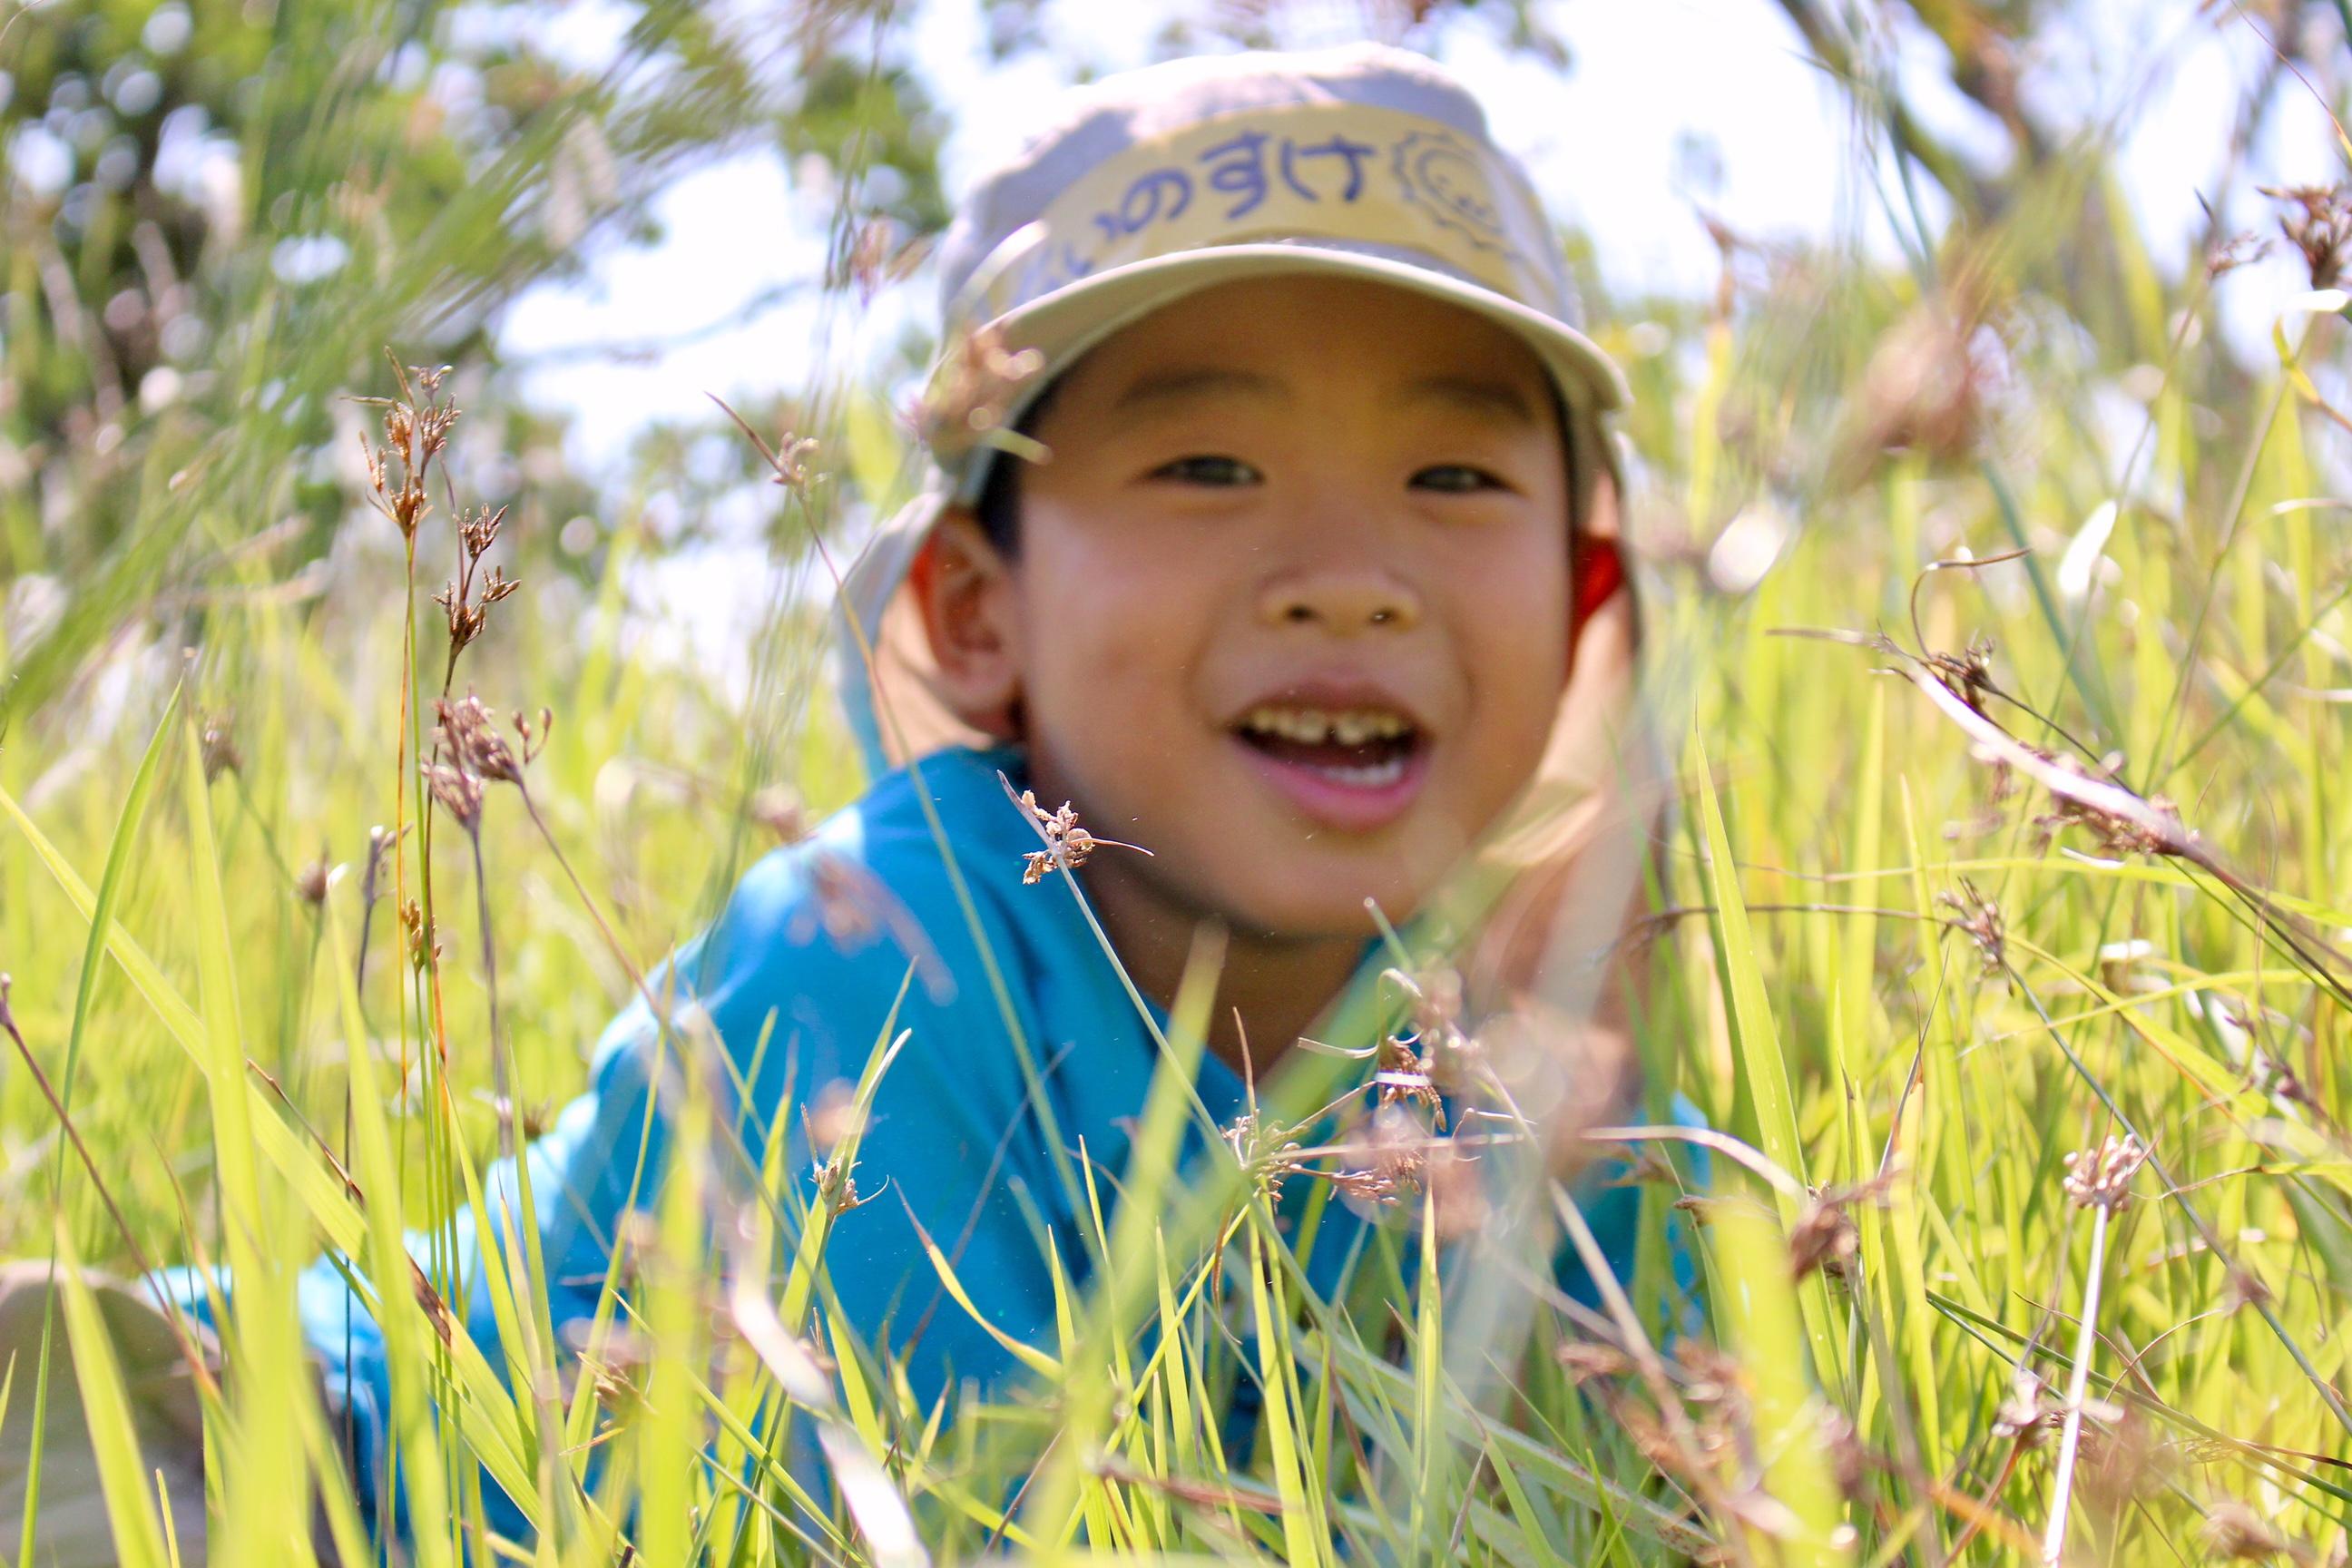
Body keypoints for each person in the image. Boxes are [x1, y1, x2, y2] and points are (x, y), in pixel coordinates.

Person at [2, 41, 1701, 1563]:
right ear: (979, 610)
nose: (1350, 580)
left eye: (1456, 476)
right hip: (267, 1445)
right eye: (1208, 467)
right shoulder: (878, 955)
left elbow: (1656, 1478)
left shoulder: (1561, 1068)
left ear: (1578, 597)